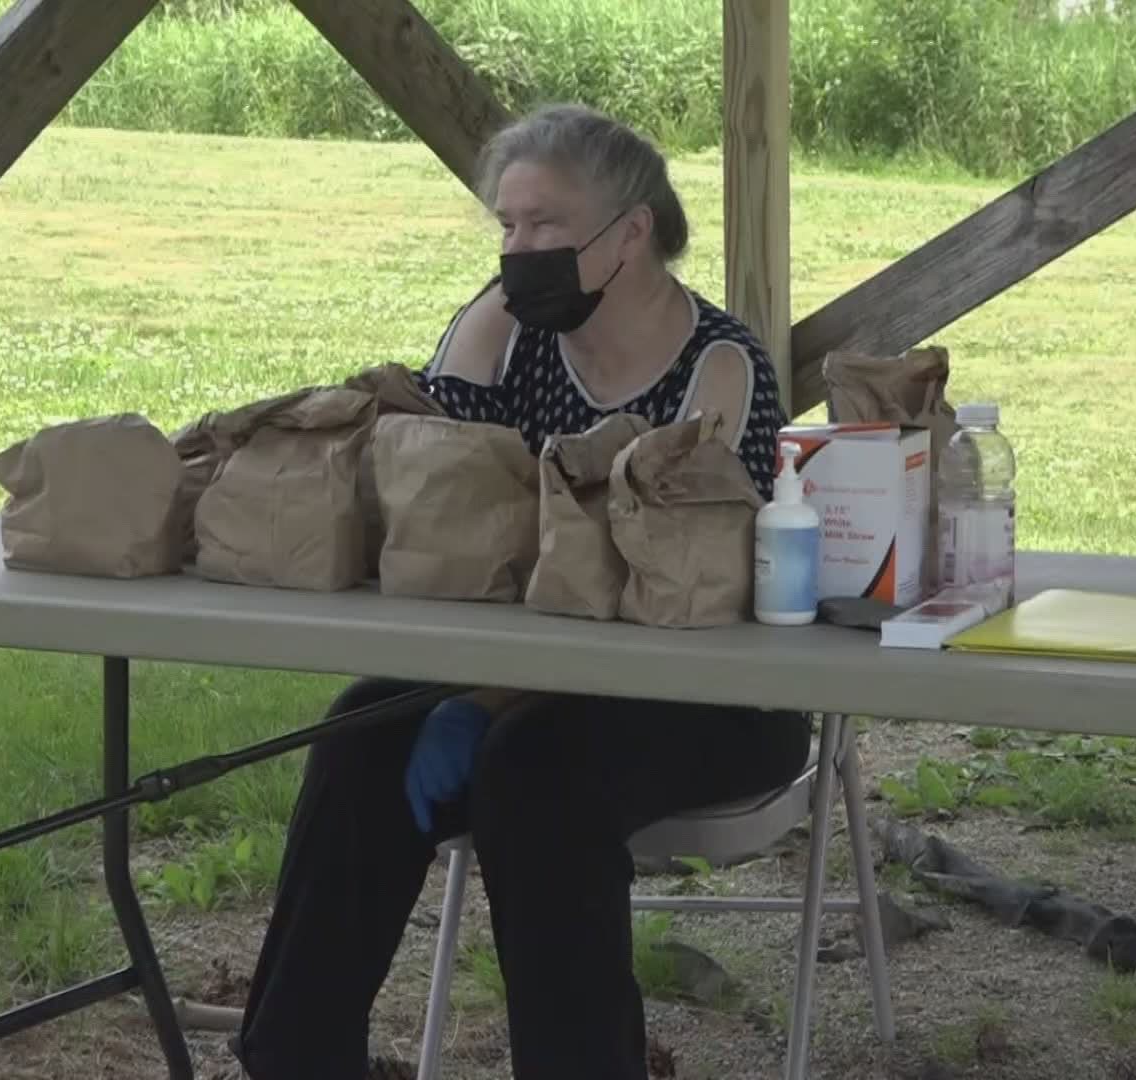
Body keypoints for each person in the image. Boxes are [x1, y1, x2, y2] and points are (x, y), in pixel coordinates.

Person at [235, 104, 813, 1080]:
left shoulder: (719, 369)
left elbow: (677, 600)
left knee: (537, 778)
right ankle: (294, 1058)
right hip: (520, 675)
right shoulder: (519, 343)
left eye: (544, 226)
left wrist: (483, 697)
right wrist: (477, 328)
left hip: (710, 692)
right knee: (363, 735)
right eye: (506, 227)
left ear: (631, 233)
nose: (518, 250)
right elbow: (436, 519)